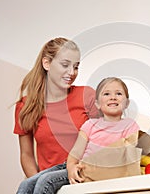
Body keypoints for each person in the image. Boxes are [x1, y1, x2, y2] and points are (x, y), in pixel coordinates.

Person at [14, 37, 99, 194]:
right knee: (25, 186)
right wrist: (39, 184)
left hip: (81, 176)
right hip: (47, 181)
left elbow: (104, 140)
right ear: (47, 64)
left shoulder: (87, 95)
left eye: (76, 67)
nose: (72, 73)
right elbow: (26, 154)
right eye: (65, 65)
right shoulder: (26, 106)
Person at [66, 77, 140, 184]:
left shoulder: (130, 126)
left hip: (112, 174)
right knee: (41, 181)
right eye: (106, 94)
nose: (113, 97)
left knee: (47, 181)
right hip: (84, 173)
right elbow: (76, 152)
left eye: (118, 94)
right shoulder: (90, 125)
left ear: (127, 103)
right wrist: (71, 167)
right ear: (97, 104)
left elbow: (130, 154)